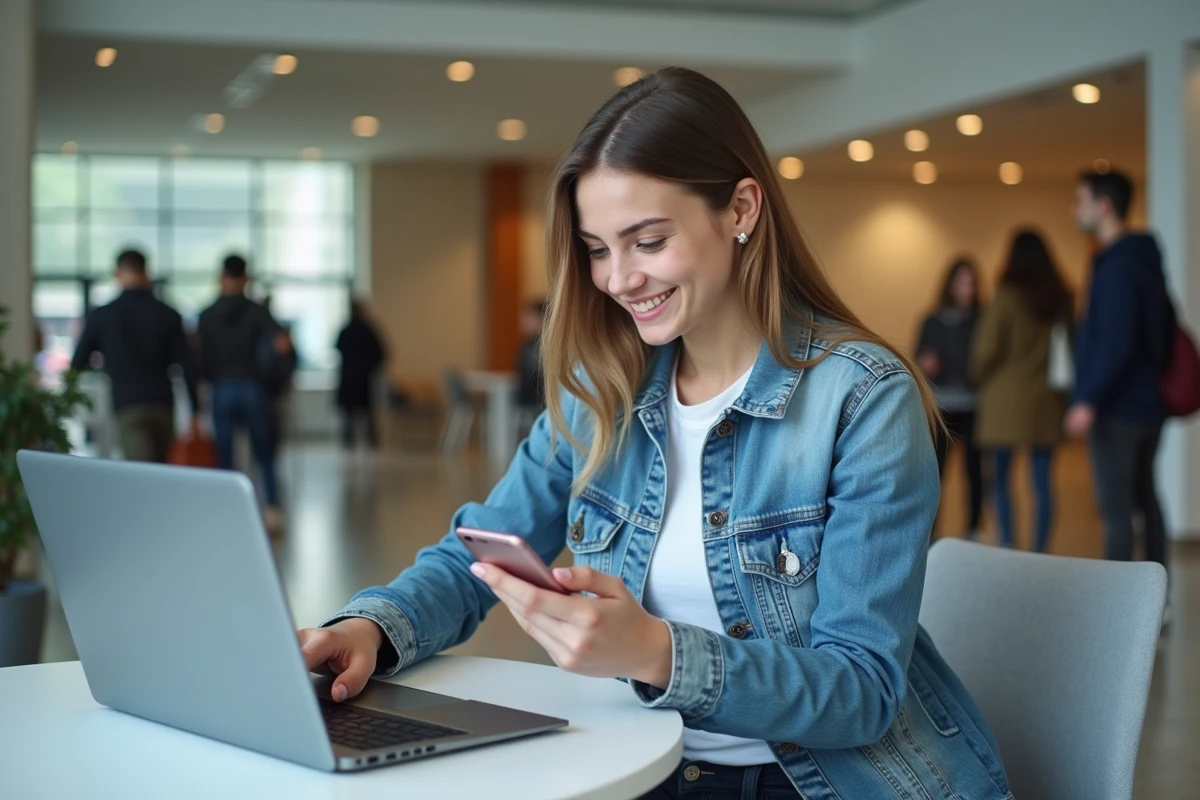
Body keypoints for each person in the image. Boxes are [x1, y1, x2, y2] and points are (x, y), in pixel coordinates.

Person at [297, 68, 1009, 799]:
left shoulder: (862, 399)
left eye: (647, 241)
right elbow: (477, 554)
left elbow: (862, 690)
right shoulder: (600, 391)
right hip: (648, 764)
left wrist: (658, 653)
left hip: (818, 782)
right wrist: (370, 633)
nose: (618, 279)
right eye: (598, 249)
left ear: (740, 208)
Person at [1066, 170, 1174, 567]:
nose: (1074, 209)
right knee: (1146, 500)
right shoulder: (1144, 257)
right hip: (1149, 403)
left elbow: (1117, 342)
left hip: (1119, 408)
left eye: (1080, 200)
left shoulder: (1115, 266)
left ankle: (1121, 613)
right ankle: (1159, 602)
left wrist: (1087, 400)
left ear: (1104, 205)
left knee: (1116, 512)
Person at [972, 230, 1073, 552]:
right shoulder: (1063, 297)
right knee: (1042, 483)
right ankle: (1041, 550)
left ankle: (1009, 544)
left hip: (1005, 400)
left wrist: (976, 374)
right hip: (1046, 399)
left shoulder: (1006, 296)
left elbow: (987, 350)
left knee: (1000, 480)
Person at [70, 249, 200, 463]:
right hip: (162, 404)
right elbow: (187, 364)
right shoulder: (168, 314)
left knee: (141, 473)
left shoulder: (103, 315)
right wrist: (195, 410)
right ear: (146, 272)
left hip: (127, 403)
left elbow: (79, 362)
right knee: (161, 470)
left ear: (117, 273)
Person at [197, 255, 289, 529]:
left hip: (221, 387)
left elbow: (200, 358)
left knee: (225, 454)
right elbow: (282, 346)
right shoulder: (259, 312)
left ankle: (228, 509)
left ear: (220, 277)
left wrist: (203, 387)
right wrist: (276, 383)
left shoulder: (207, 314)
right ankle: (271, 509)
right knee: (264, 453)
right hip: (254, 387)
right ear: (247, 278)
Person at [917, 257, 985, 538]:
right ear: (950, 284)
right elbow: (918, 357)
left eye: (971, 283)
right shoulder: (932, 320)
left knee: (975, 472)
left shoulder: (983, 319)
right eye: (962, 282)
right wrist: (925, 362)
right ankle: (932, 532)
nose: (967, 289)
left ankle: (973, 529)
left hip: (974, 406)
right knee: (936, 473)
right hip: (941, 406)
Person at [335, 299, 387, 450]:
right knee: (367, 412)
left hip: (350, 377)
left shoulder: (346, 330)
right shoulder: (368, 330)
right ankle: (371, 441)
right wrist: (369, 368)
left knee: (349, 413)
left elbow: (338, 348)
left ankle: (349, 442)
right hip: (363, 377)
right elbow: (381, 353)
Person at [516, 299, 547, 435]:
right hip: (526, 398)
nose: (523, 321)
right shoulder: (526, 344)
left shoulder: (546, 344)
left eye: (528, 317)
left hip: (540, 399)